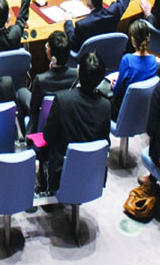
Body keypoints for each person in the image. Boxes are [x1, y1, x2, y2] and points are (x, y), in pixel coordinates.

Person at [41, 52, 111, 192]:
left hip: (63, 173)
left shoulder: (62, 100)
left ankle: (45, 187)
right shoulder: (106, 105)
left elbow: (48, 137)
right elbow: (105, 142)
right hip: (92, 173)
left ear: (78, 73)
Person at [18, 30, 75, 135]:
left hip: (45, 117)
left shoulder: (41, 79)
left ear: (52, 57)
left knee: (21, 92)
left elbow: (33, 107)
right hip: (65, 119)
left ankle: (25, 136)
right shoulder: (76, 75)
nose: (46, 48)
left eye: (47, 47)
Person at [111, 19, 157, 119]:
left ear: (133, 41)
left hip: (124, 110)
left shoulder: (127, 60)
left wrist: (113, 86)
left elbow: (116, 91)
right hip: (142, 110)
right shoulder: (154, 61)